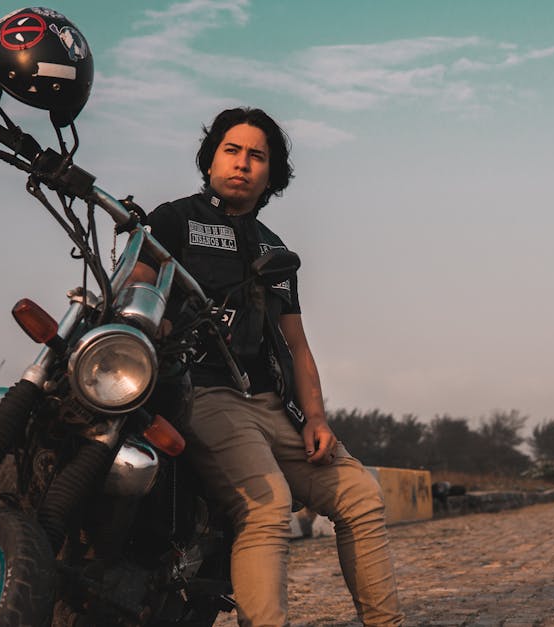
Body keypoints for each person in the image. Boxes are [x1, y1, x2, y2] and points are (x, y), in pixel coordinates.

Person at [129, 107, 403, 626]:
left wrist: (317, 418)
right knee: (267, 504)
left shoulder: (277, 251)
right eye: (231, 150)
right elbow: (135, 289)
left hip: (274, 406)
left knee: (361, 496)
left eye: (257, 156)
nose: (242, 164)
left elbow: (297, 345)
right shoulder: (172, 219)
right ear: (210, 159)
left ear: (271, 174)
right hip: (202, 394)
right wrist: (154, 322)